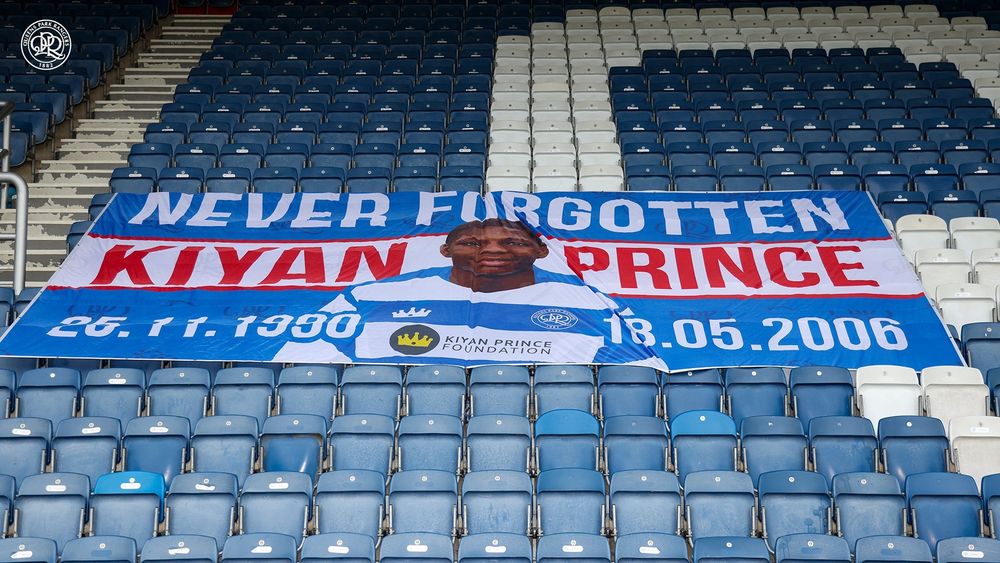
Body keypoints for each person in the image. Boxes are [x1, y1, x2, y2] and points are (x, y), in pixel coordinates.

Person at [271, 218, 661, 367]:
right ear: (445, 251)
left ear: (543, 251)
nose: (492, 250)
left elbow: (635, 358)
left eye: (513, 243)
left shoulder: (588, 299)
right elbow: (304, 349)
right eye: (472, 243)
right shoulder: (372, 294)